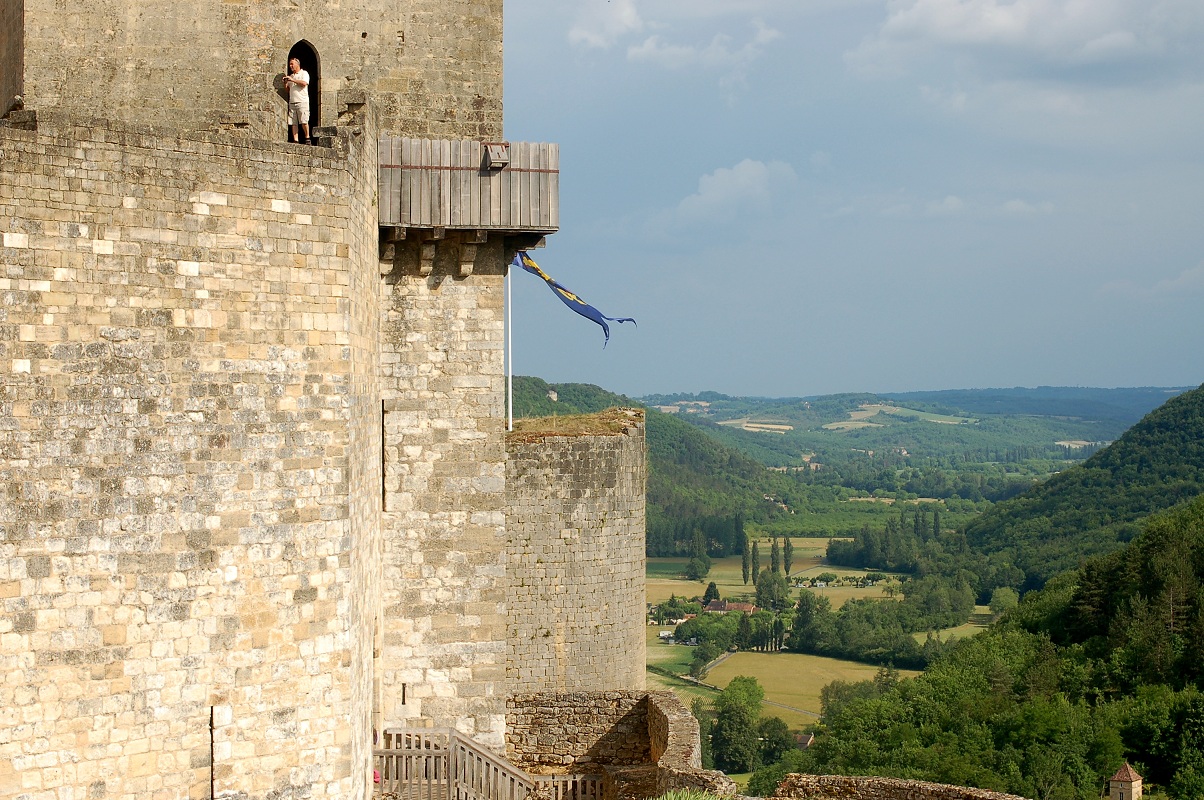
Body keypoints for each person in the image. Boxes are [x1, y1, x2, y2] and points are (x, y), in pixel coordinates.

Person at [283, 58, 311, 143]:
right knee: (293, 122)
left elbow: (304, 83)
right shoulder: (291, 76)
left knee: (304, 121)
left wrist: (293, 80)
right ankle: (296, 140)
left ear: (297, 64)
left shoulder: (304, 73)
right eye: (290, 64)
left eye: (292, 64)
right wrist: (285, 83)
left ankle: (307, 138)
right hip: (292, 102)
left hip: (302, 101)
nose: (290, 66)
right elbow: (288, 90)